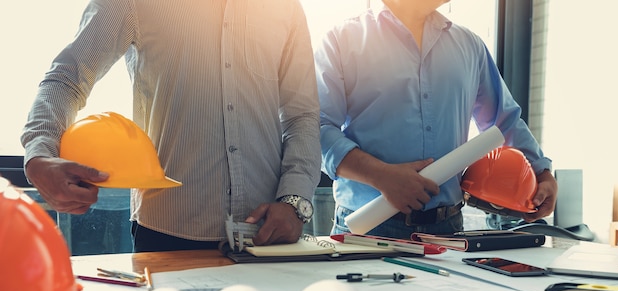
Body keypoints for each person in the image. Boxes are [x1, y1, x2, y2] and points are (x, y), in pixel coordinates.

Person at [21, 0, 321, 252]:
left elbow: (302, 115)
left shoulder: (285, 7)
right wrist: (39, 155)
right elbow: (66, 78)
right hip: (167, 233)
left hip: (269, 235)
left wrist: (294, 204)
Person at [315, 0, 557, 239]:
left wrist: (543, 173)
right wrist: (381, 175)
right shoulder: (341, 40)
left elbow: (505, 123)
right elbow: (318, 131)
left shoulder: (470, 46)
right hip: (368, 229)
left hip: (448, 231)